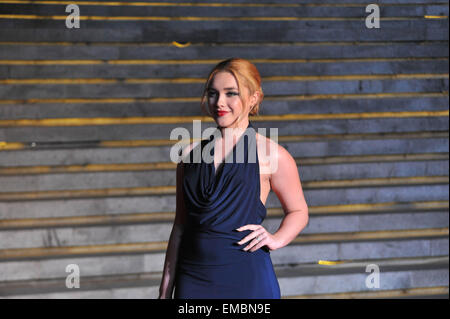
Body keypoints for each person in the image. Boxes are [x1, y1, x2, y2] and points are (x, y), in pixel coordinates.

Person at [158, 58, 309, 299]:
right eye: (213, 93)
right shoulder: (189, 155)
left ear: (253, 99)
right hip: (193, 279)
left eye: (231, 94)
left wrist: (276, 238)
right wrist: (165, 291)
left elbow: (299, 211)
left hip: (247, 280)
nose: (220, 102)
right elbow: (180, 227)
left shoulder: (272, 154)